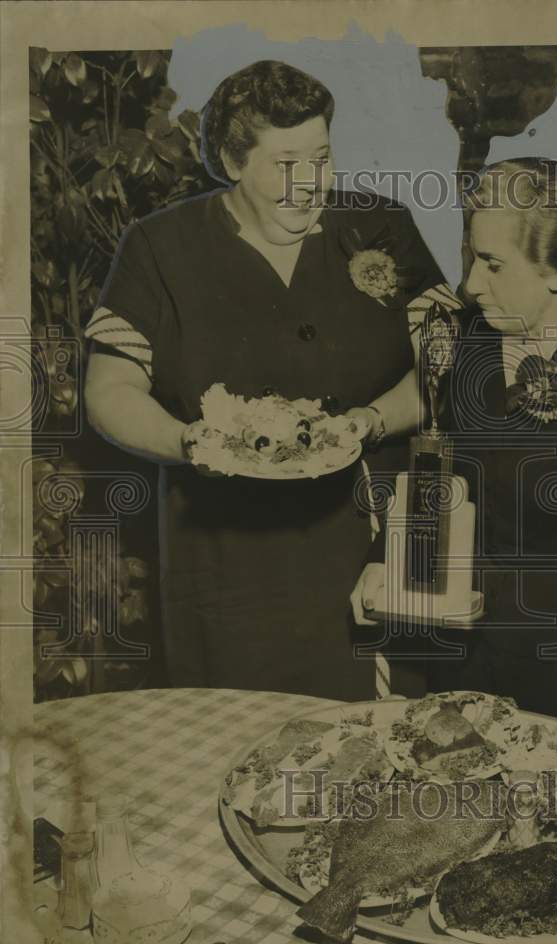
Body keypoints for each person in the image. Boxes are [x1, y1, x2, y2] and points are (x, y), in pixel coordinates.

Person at [84, 60, 456, 698]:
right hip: (227, 562)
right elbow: (109, 391)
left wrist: (371, 421)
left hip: (373, 544)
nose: (310, 183)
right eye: (286, 163)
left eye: (321, 156)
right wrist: (189, 443)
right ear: (232, 163)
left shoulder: (380, 226)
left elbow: (447, 369)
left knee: (380, 750)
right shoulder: (159, 246)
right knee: (236, 744)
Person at [352, 158, 557, 743]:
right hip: (463, 657)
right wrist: (388, 560)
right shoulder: (469, 344)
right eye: (472, 255)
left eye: (493, 264)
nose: (470, 284)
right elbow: (438, 470)